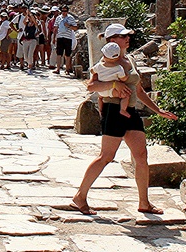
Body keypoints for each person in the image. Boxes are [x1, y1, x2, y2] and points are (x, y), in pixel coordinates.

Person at [67, 23, 178, 217]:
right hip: (113, 110)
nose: (127, 38)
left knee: (141, 155)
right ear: (111, 40)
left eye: (127, 35)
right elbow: (91, 86)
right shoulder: (105, 62)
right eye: (122, 36)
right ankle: (80, 196)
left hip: (131, 111)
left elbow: (139, 90)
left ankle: (144, 202)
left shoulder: (130, 60)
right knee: (106, 156)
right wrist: (113, 83)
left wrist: (157, 110)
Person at [91, 42, 131, 117]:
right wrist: (127, 76)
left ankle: (100, 110)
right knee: (126, 96)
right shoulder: (118, 68)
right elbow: (123, 79)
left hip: (101, 91)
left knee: (100, 98)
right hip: (113, 90)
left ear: (104, 56)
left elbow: (92, 71)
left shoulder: (99, 66)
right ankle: (122, 109)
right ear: (118, 57)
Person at [53, 4, 79, 76]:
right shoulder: (58, 18)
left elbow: (75, 28)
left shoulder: (71, 18)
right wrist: (54, 38)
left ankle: (67, 69)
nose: (64, 12)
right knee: (59, 54)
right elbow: (55, 28)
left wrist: (69, 26)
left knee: (67, 55)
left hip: (68, 37)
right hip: (60, 37)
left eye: (65, 11)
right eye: (62, 11)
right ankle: (58, 69)